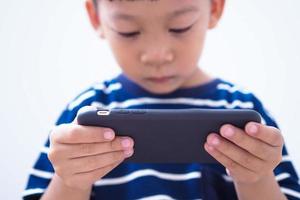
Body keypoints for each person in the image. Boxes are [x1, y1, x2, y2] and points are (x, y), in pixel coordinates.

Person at [23, 0, 300, 199]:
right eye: (128, 31)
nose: (156, 55)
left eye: (180, 27)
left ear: (214, 8)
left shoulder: (242, 109)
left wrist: (256, 178)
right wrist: (70, 182)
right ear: (96, 18)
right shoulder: (84, 113)